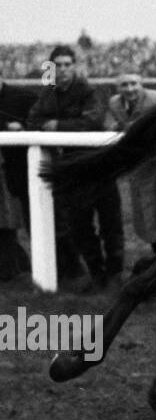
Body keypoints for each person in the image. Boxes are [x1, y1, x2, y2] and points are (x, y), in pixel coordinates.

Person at [27, 45, 124, 287]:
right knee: (80, 224)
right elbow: (33, 119)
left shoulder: (89, 89)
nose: (63, 70)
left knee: (110, 223)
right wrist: (58, 124)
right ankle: (97, 274)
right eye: (57, 65)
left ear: (75, 66)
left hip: (99, 166)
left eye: (67, 64)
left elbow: (92, 121)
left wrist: (57, 126)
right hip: (71, 169)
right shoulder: (47, 92)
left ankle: (115, 274)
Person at [107, 72, 156, 264]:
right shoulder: (115, 103)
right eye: (124, 85)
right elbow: (112, 123)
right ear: (118, 88)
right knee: (147, 220)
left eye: (134, 84)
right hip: (138, 168)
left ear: (141, 84)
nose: (129, 89)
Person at [0, 75, 37, 280]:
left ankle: (18, 266)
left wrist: (23, 129)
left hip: (16, 170)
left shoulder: (23, 96)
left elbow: (39, 120)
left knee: (10, 219)